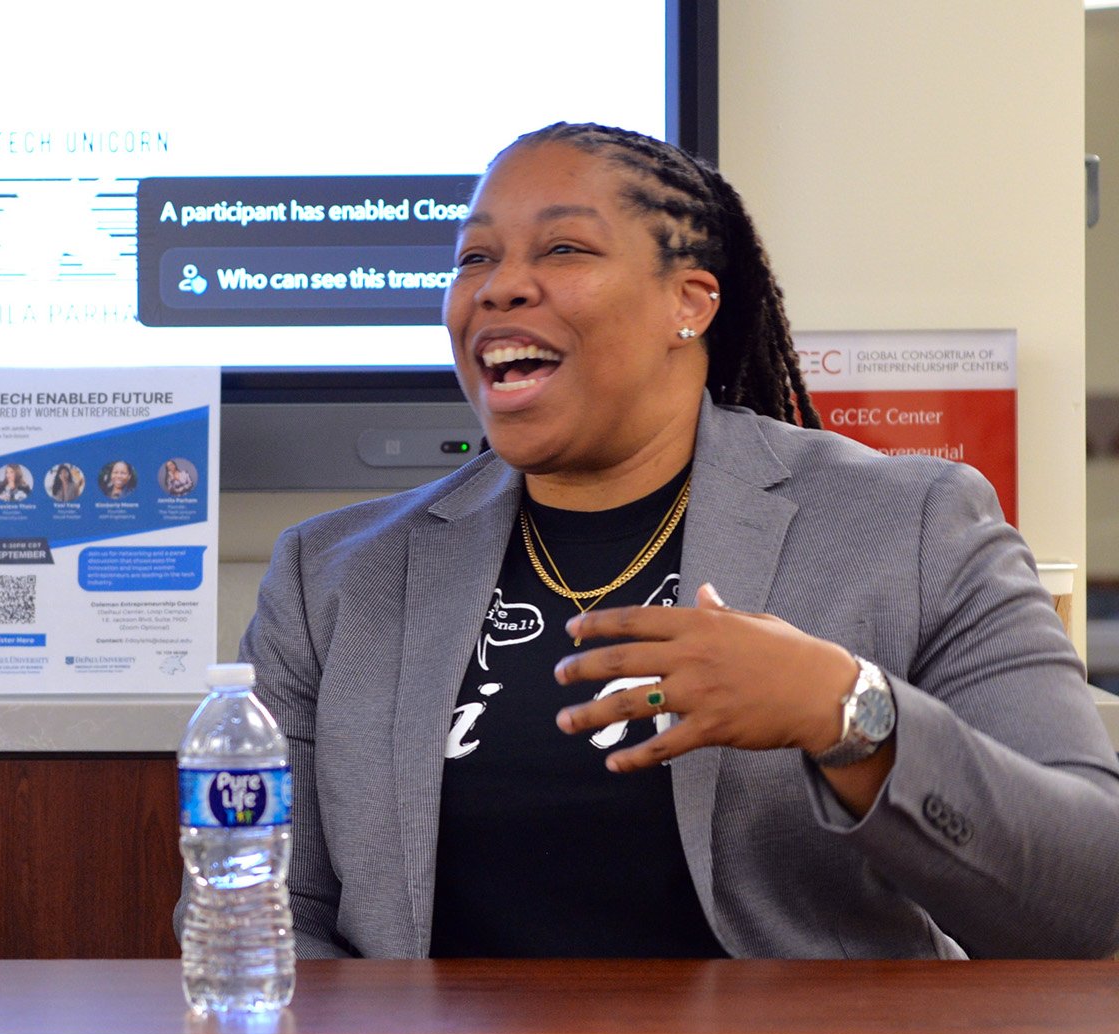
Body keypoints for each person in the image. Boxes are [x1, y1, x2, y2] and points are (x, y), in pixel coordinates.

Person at [231, 122, 1119, 960]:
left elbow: (1089, 893)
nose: (498, 286)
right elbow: (266, 919)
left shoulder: (912, 527)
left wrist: (848, 711)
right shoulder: (335, 576)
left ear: (688, 304)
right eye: (474, 258)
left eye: (563, 249)